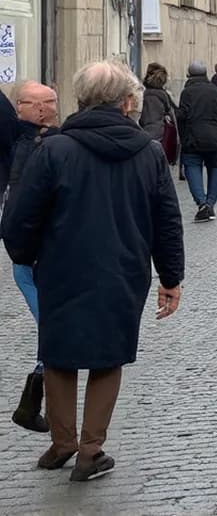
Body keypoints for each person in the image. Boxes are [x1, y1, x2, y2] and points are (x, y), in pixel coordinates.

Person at [2, 60, 184, 483]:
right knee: (108, 356)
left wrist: (28, 256)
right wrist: (170, 277)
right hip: (124, 267)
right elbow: (167, 221)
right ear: (127, 103)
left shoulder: (54, 150)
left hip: (61, 266)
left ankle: (63, 441)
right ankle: (91, 449)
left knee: (58, 353)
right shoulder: (149, 153)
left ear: (80, 99)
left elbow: (19, 218)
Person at [7, 81, 60, 433]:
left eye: (21, 103)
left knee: (54, 328)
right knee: (53, 328)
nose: (17, 109)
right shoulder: (20, 140)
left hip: (38, 253)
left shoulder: (46, 144)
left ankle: (37, 406)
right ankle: (40, 408)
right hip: (30, 256)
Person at [177, 61, 217, 223]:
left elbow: (182, 116)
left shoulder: (186, 93)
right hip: (216, 139)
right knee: (215, 168)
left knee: (192, 168)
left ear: (188, 76)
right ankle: (210, 203)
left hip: (192, 139)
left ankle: (202, 203)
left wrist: (183, 138)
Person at [138, 63, 178, 166]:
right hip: (160, 133)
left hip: (144, 132)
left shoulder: (142, 95)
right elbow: (173, 114)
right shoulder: (164, 95)